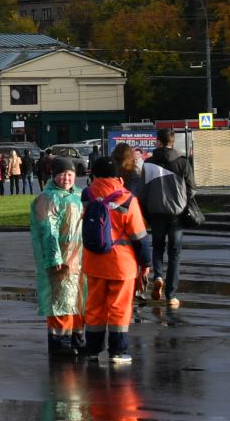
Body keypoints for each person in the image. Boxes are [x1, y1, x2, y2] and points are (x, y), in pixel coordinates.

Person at [79, 159, 152, 365]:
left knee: (94, 305)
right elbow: (139, 236)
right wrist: (145, 262)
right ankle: (117, 351)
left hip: (93, 259)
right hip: (121, 262)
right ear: (117, 175)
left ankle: (92, 349)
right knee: (119, 307)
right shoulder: (127, 198)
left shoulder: (87, 195)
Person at [31, 159, 85, 357]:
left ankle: (78, 341)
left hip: (80, 260)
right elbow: (47, 230)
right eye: (62, 174)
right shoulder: (47, 198)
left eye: (70, 174)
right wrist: (54, 259)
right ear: (54, 175)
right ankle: (60, 345)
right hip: (60, 261)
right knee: (60, 301)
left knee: (79, 301)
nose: (67, 178)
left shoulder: (80, 195)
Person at [145, 127, 197, 309]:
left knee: (157, 247)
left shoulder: (149, 163)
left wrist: (145, 212)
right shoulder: (182, 163)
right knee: (175, 253)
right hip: (177, 214)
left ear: (158, 142)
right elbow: (192, 188)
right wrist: (183, 202)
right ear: (172, 142)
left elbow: (143, 191)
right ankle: (171, 296)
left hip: (156, 213)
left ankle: (158, 276)